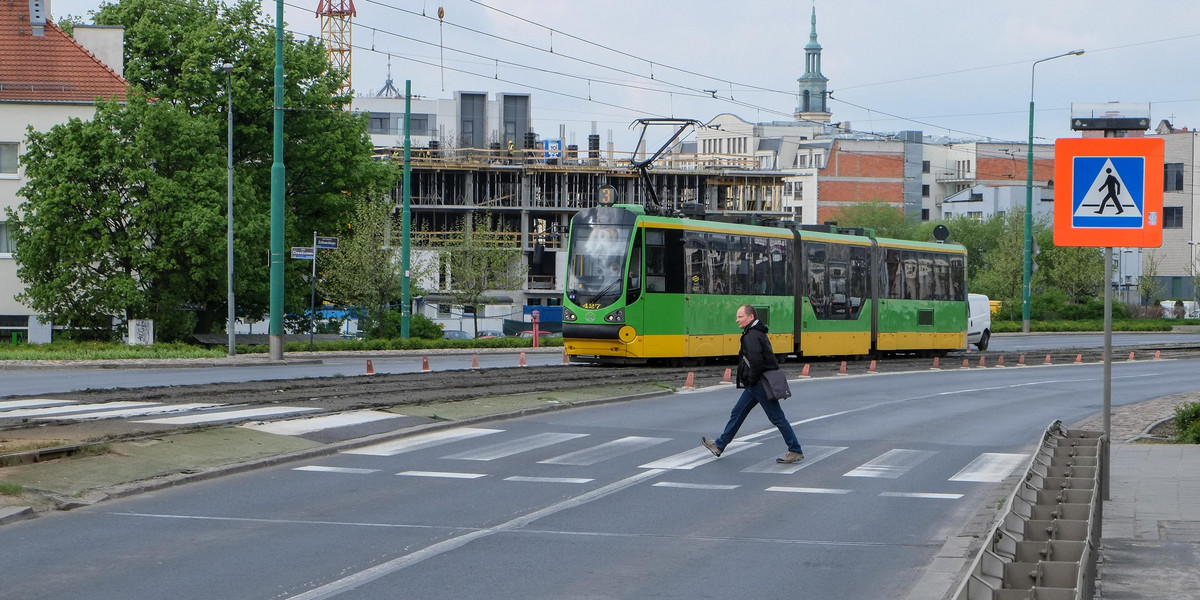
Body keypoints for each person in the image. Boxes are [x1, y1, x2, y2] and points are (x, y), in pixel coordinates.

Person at [702, 305, 804, 464]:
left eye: (740, 317)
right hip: (756, 383)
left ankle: (795, 450)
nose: (737, 320)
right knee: (738, 412)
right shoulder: (756, 333)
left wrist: (750, 379)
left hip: (759, 382)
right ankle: (719, 445)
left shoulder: (752, 335)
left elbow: (756, 361)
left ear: (750, 317)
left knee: (776, 417)